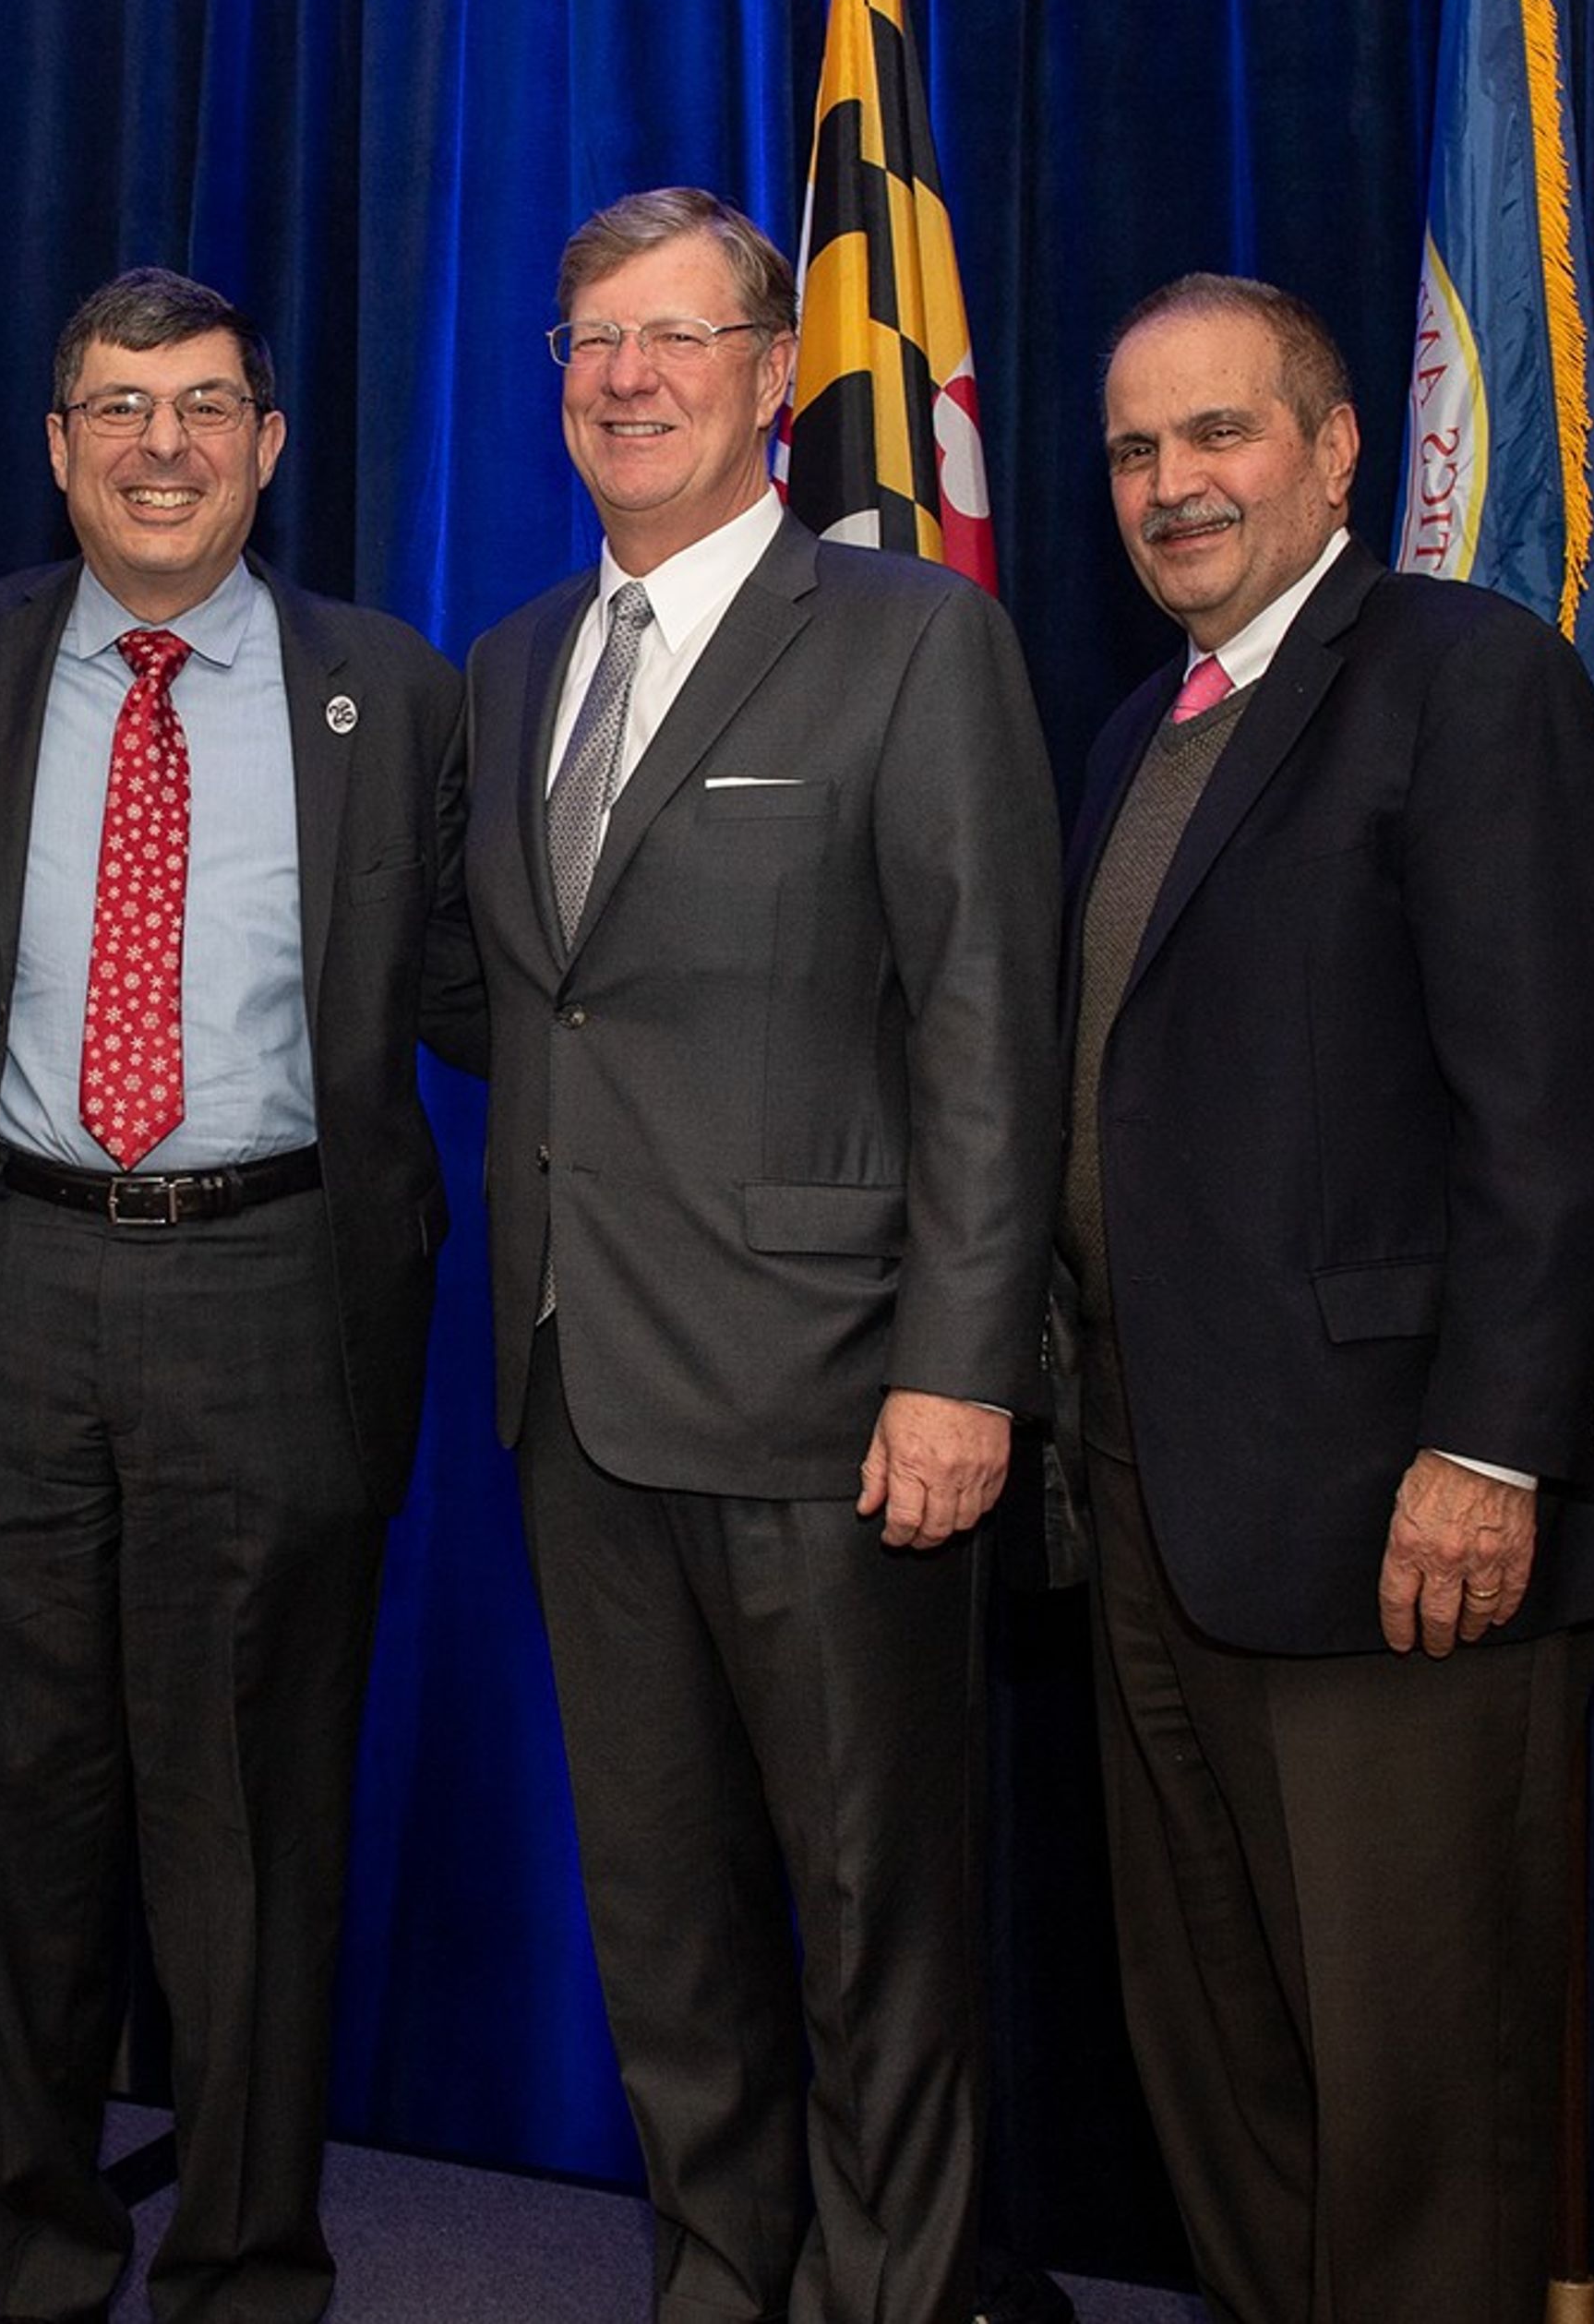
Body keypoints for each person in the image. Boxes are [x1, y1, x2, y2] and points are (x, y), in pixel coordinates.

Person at [459, 189, 1060, 2324]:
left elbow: (992, 1017)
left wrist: (963, 1364)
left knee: (871, 1926)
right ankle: (718, 2284)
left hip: (837, 1401)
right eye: (589, 342)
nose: (627, 379)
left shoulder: (910, 637)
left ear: (774, 372)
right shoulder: (517, 660)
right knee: (667, 1928)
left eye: (677, 337)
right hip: (574, 1397)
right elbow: (531, 993)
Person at [1065, 273, 1594, 2324]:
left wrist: (1487, 1450)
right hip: (1161, 1494)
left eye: (1218, 435)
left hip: (1405, 1517)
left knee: (1423, 2083)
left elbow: (1560, 1106)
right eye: (1138, 450)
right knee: (1220, 2039)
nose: (1173, 485)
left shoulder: (1463, 673)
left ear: (1335, 453)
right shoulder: (1139, 732)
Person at [0, 266, 472, 2324]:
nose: (160, 445)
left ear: (270, 444)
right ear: (57, 448)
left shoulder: (393, 690)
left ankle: (243, 2275)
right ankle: (30, 2263)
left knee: (253, 1835)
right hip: (6, 1294)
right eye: (118, 408)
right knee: (10, 1822)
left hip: (274, 1293)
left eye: (204, 406)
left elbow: (511, 985)